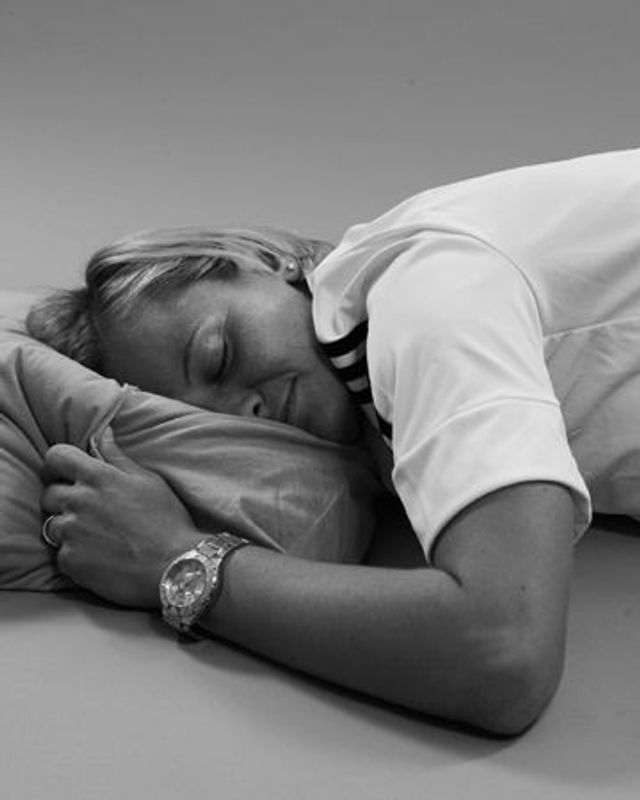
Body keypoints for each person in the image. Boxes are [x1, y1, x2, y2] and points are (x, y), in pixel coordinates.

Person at [27, 148, 640, 737]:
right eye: (211, 420)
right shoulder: (369, 397)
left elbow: (502, 653)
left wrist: (175, 557)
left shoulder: (427, 298)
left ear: (262, 259)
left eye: (218, 355)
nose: (248, 411)